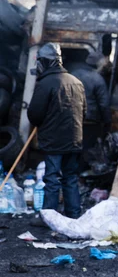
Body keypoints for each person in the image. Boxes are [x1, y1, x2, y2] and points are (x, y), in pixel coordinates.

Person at [27, 43, 86, 218]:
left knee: (52, 179)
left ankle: (50, 218)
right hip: (74, 139)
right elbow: (84, 112)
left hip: (54, 141)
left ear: (45, 62)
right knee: (70, 178)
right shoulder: (77, 82)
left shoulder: (45, 84)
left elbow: (34, 114)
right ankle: (73, 216)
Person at [67, 52, 111, 163]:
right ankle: (81, 175)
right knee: (86, 149)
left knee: (71, 148)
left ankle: (68, 174)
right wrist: (107, 122)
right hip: (89, 121)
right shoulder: (97, 79)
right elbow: (104, 104)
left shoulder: (72, 75)